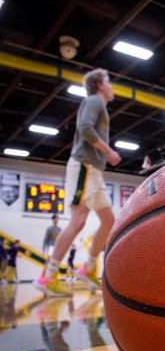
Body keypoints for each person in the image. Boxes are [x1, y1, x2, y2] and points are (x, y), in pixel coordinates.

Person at [33, 68, 121, 297]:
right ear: (100, 84)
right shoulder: (94, 101)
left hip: (95, 171)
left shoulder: (101, 106)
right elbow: (84, 128)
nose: (111, 87)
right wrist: (109, 151)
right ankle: (48, 275)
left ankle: (88, 267)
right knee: (78, 220)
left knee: (109, 220)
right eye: (109, 82)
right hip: (84, 166)